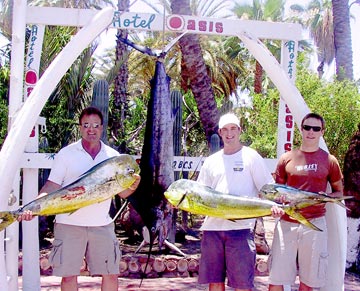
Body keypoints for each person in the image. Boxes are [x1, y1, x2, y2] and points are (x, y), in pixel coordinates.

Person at [19, 106, 140, 291]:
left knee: (111, 274)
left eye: (95, 125)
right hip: (68, 226)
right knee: (69, 277)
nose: (91, 129)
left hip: (102, 225)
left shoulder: (113, 158)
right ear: (80, 127)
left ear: (102, 127)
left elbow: (122, 193)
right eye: (86, 125)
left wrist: (133, 186)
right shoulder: (66, 154)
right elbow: (52, 186)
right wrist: (34, 206)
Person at [197, 112, 276, 291]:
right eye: (225, 129)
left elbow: (267, 189)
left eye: (233, 129)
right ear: (219, 132)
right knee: (215, 283)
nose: (229, 133)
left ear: (240, 130)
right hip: (212, 230)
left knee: (242, 284)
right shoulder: (210, 161)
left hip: (240, 230)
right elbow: (201, 194)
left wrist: (277, 206)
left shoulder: (252, 157)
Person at [268, 113, 343, 291]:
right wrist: (277, 205)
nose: (311, 132)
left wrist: (324, 198)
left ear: (322, 132)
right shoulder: (286, 158)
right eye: (307, 128)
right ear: (301, 129)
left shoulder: (330, 161)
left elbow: (339, 191)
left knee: (309, 283)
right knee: (276, 280)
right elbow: (276, 193)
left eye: (316, 129)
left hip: (315, 225)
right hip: (287, 224)